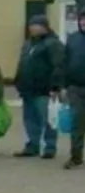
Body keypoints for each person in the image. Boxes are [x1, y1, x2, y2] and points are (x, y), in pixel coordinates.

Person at [14, 15, 64, 159]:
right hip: (27, 88)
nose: (33, 28)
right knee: (30, 119)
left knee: (48, 119)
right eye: (31, 25)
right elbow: (22, 63)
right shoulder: (28, 44)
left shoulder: (53, 44)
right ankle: (33, 144)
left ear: (44, 27)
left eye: (36, 25)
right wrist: (18, 80)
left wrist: (55, 86)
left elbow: (58, 66)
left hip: (44, 89)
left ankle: (50, 146)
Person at [64, 14, 85, 169]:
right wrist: (64, 85)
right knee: (77, 122)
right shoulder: (72, 39)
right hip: (76, 87)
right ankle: (76, 156)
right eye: (82, 19)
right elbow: (64, 62)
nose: (84, 22)